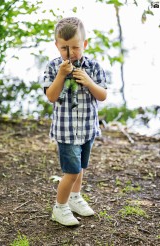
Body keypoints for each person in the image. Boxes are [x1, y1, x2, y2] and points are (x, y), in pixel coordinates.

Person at [43, 17, 108, 226]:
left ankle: (74, 198)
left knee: (80, 168)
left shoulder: (94, 67)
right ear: (56, 45)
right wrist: (61, 76)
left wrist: (88, 81)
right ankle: (59, 208)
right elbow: (51, 96)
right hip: (66, 132)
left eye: (75, 47)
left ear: (85, 45)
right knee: (71, 172)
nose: (70, 53)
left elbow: (102, 96)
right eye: (64, 48)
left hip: (87, 129)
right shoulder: (54, 67)